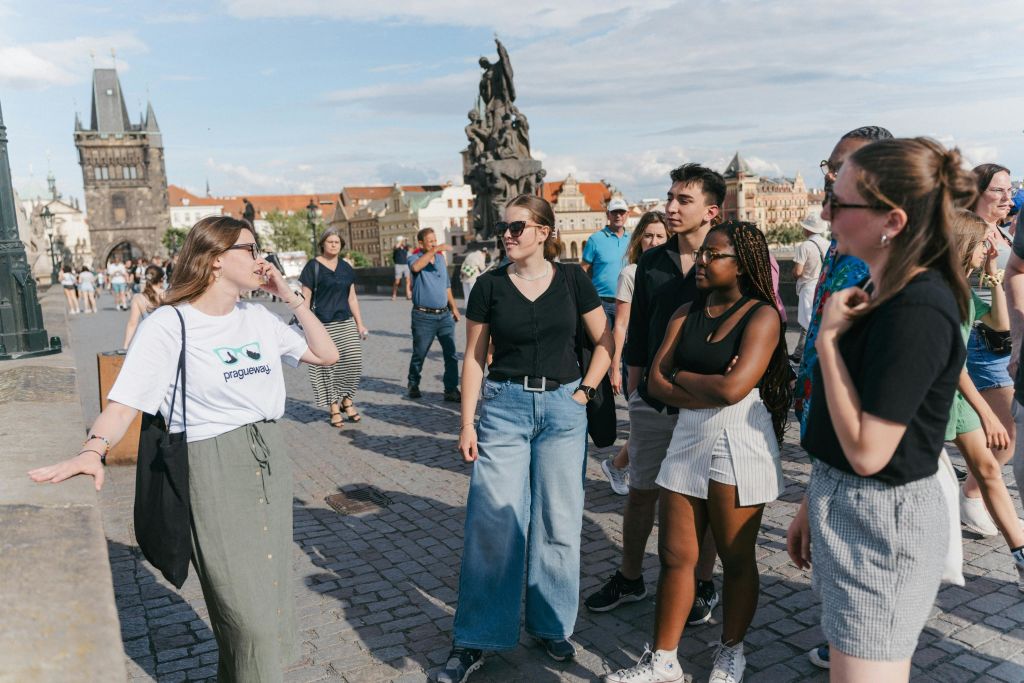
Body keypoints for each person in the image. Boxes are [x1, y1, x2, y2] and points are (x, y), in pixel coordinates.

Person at [29, 215, 339, 682]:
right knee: (245, 614)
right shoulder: (170, 324)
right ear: (215, 261)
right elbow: (124, 403)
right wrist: (93, 449)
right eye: (251, 250)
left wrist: (290, 297)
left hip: (269, 457)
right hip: (212, 464)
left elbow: (326, 354)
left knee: (270, 594)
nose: (262, 260)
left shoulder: (258, 318)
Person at [787, 137, 975, 682]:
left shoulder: (918, 305)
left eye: (840, 203)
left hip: (881, 524)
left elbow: (870, 451)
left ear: (891, 220)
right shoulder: (883, 286)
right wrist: (814, 498)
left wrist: (826, 342)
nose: (826, 213)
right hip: (850, 503)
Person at [606, 221, 791, 683]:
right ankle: (663, 661)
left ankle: (731, 652)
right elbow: (653, 380)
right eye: (702, 253)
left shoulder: (762, 316)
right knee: (675, 556)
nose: (702, 261)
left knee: (736, 557)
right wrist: (697, 382)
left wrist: (682, 377)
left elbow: (733, 390)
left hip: (739, 438)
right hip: (688, 434)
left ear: (742, 265)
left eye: (715, 254)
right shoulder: (686, 312)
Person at [438, 194, 612, 683]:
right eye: (504, 228)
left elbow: (606, 340)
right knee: (493, 522)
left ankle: (550, 624)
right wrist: (467, 422)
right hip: (505, 408)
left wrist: (586, 392)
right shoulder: (490, 285)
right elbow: (473, 357)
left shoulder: (575, 280)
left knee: (559, 520)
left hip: (563, 409)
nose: (508, 235)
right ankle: (476, 637)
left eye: (517, 227)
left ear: (544, 231)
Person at [585, 164, 726, 631]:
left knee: (700, 500)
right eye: (670, 198)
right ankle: (630, 577)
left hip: (706, 403)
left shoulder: (727, 259)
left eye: (683, 200)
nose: (670, 207)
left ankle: (703, 583)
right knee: (642, 492)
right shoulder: (651, 263)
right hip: (652, 400)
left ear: (712, 210)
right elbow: (640, 330)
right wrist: (636, 388)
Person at [790, 124, 894, 671]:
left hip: (856, 431)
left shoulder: (887, 256)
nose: (828, 176)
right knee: (834, 554)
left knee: (860, 560)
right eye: (828, 166)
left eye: (839, 167)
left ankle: (860, 646)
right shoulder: (841, 240)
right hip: (824, 423)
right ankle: (847, 641)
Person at [944, 209, 1024, 585]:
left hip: (956, 399)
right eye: (981, 244)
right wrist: (987, 415)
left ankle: (1021, 555)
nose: (986, 248)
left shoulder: (961, 288)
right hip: (935, 397)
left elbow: (1001, 324)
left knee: (990, 469)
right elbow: (950, 364)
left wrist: (993, 272)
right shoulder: (940, 292)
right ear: (962, 244)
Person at [961, 163, 1017, 535]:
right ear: (976, 193)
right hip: (985, 345)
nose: (1007, 197)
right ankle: (971, 495)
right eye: (998, 190)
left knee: (999, 432)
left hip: (1007, 344)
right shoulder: (972, 236)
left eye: (1010, 190)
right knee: (1005, 436)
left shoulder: (1002, 233)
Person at [601, 210, 668, 495]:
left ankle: (622, 467)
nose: (654, 242)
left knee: (664, 421)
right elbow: (621, 325)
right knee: (645, 421)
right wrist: (614, 366)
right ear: (639, 240)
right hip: (640, 357)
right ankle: (621, 467)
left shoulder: (677, 269)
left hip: (671, 356)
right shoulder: (631, 273)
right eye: (648, 236)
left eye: (660, 236)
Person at [299, 228, 369, 428]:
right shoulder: (312, 267)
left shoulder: (346, 268)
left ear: (341, 245)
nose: (333, 245)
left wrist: (360, 323)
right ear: (322, 244)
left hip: (345, 321)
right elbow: (305, 298)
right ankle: (334, 407)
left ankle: (347, 399)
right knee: (328, 367)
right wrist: (306, 324)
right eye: (329, 241)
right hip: (322, 324)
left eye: (336, 242)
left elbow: (352, 297)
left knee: (353, 361)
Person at [407, 228, 461, 402]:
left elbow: (446, 286)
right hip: (423, 316)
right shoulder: (413, 258)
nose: (434, 243)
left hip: (444, 315)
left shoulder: (440, 259)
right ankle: (413, 383)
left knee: (451, 354)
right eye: (430, 240)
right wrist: (434, 250)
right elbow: (416, 267)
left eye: (435, 240)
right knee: (420, 353)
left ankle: (451, 389)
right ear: (421, 244)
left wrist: (454, 308)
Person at [582, 196, 631, 328]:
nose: (618, 216)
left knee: (626, 343)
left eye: (621, 212)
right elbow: (584, 268)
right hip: (602, 301)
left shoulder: (633, 239)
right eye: (614, 212)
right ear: (608, 214)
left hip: (628, 301)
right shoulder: (595, 239)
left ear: (627, 214)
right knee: (604, 344)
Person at [790, 213, 830, 361]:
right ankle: (801, 353)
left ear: (808, 229)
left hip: (808, 288)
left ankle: (810, 354)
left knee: (807, 323)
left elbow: (798, 271)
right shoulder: (828, 244)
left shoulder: (805, 246)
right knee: (819, 320)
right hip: (823, 286)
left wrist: (794, 273)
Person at [123, 265, 166, 348]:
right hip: (167, 340)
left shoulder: (138, 298)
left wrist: (125, 345)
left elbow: (132, 323)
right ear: (161, 279)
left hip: (149, 341)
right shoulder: (169, 295)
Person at [392, 236, 412, 301]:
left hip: (406, 264)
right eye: (402, 240)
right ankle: (394, 294)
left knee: (408, 280)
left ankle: (408, 294)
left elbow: (410, 247)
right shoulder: (396, 247)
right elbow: (396, 246)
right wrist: (401, 240)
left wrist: (405, 240)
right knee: (397, 281)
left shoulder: (405, 248)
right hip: (398, 265)